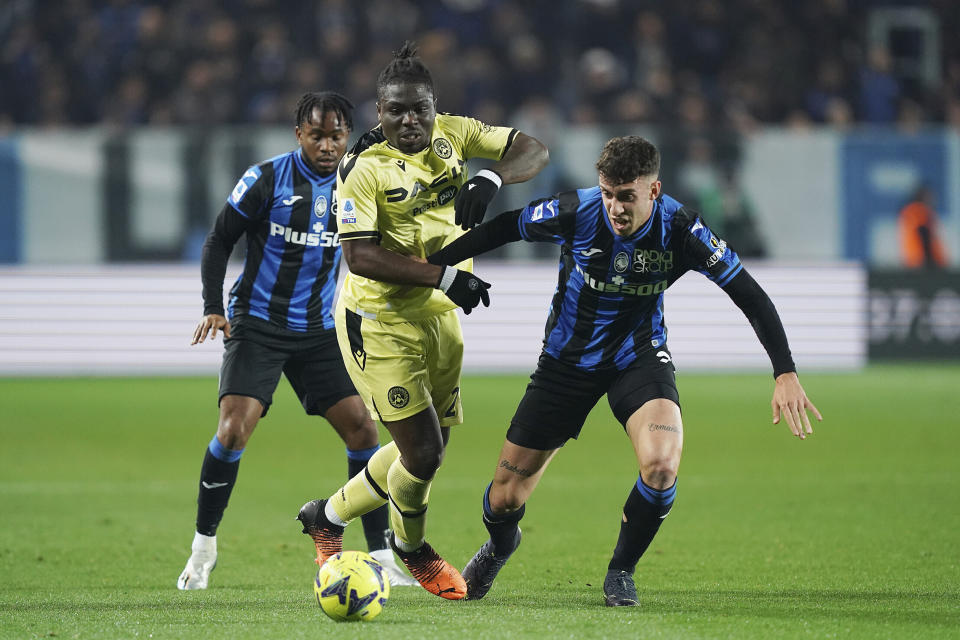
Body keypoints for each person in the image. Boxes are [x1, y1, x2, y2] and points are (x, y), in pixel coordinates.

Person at [426, 135, 823, 606]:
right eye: (609, 194)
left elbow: (750, 294)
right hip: (565, 363)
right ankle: (501, 544)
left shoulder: (683, 229)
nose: (615, 207)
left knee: (660, 466)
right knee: (504, 500)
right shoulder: (576, 210)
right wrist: (430, 266)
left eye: (627, 196)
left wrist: (785, 372)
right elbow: (505, 228)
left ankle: (621, 572)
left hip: (638, 357)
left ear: (653, 191)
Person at [294, 42, 549, 600]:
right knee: (424, 454)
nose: (410, 120)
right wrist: (446, 278)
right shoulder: (361, 170)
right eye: (396, 110)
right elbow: (359, 256)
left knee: (427, 448)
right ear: (378, 112)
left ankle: (326, 514)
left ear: (435, 107)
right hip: (379, 321)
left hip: (440, 318)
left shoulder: (454, 133)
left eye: (420, 109)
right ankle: (411, 548)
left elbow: (533, 149)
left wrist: (492, 180)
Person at [177, 91, 415, 590]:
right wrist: (213, 307)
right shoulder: (265, 179)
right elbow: (220, 238)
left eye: (336, 136)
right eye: (317, 135)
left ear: (347, 136)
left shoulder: (360, 184)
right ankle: (203, 548)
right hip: (258, 322)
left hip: (317, 329)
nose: (327, 145)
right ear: (299, 134)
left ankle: (379, 554)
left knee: (363, 432)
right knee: (233, 430)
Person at [899, 185, 948, 269]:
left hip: (915, 261)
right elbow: (923, 233)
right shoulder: (918, 210)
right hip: (922, 262)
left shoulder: (911, 211)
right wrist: (929, 260)